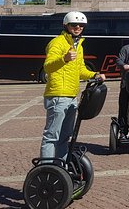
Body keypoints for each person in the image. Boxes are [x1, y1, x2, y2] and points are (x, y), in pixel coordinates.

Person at [40, 11, 106, 161]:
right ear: (66, 25)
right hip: (57, 95)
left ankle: (61, 167)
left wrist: (94, 75)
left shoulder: (78, 46)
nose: (78, 27)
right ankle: (46, 169)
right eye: (74, 25)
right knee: (51, 136)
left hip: (72, 96)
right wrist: (64, 58)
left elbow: (80, 70)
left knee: (65, 137)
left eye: (81, 25)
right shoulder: (57, 43)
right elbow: (48, 67)